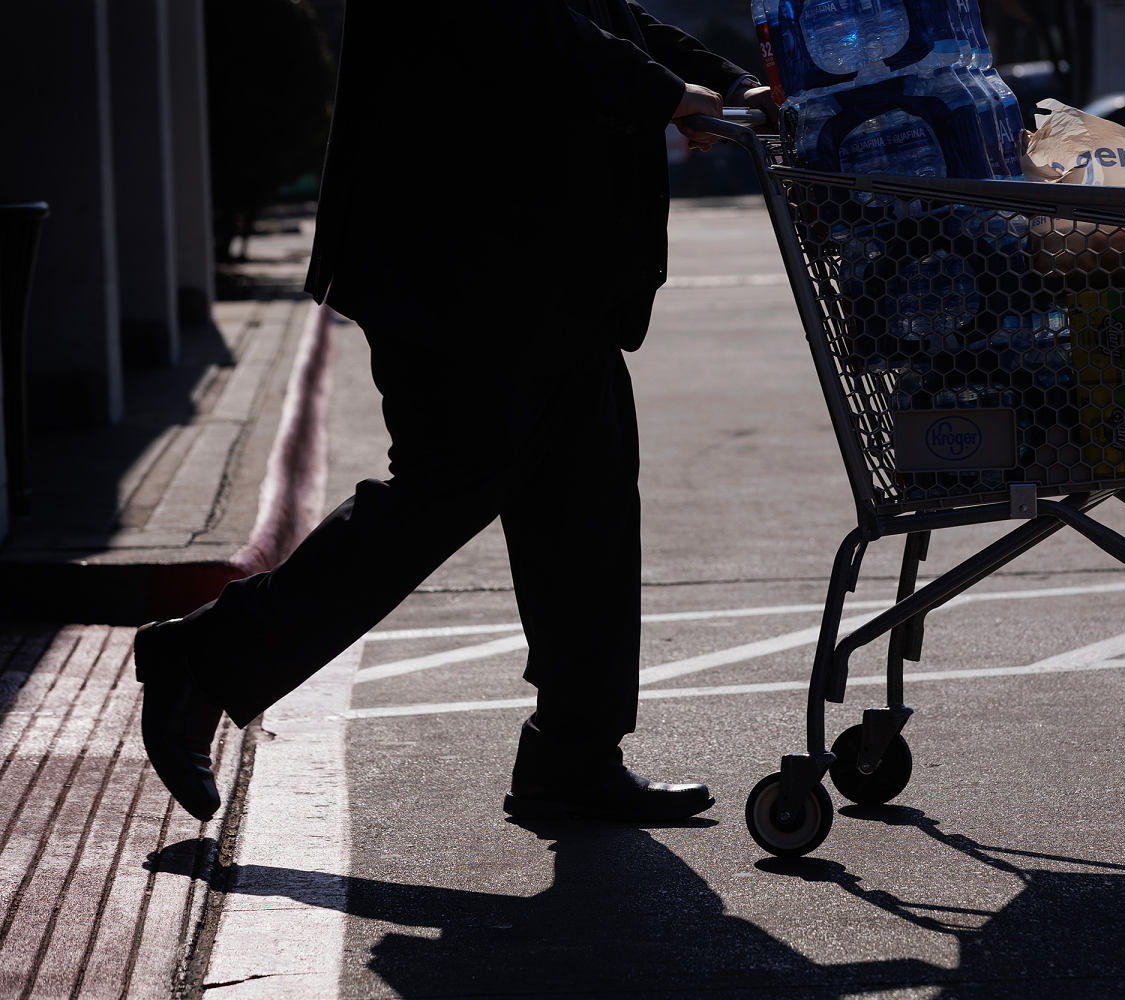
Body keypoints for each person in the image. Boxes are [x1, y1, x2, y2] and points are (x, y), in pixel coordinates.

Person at [133, 1, 778, 824]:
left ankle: (575, 754)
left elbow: (598, 11)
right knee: (455, 478)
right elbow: (511, 23)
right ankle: (204, 656)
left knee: (588, 489)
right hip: (455, 255)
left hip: (547, 264)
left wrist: (727, 83)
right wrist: (661, 92)